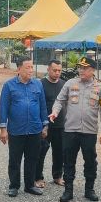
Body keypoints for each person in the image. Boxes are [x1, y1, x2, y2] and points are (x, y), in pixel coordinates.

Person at [50, 57, 101, 202]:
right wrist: (55, 111)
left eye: (85, 68)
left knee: (90, 161)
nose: (81, 70)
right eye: (80, 68)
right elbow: (59, 100)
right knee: (68, 161)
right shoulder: (70, 83)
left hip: (89, 131)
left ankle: (89, 189)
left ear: (92, 70)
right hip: (70, 130)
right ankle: (68, 190)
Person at [0, 56, 48, 197]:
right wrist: (3, 128)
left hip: (34, 128)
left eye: (32, 67)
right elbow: (4, 107)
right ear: (19, 69)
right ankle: (14, 186)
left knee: (32, 158)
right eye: (28, 67)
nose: (31, 70)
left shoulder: (38, 85)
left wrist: (45, 125)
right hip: (16, 129)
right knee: (15, 159)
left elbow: (43, 106)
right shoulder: (9, 85)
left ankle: (29, 185)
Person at [37, 59, 66, 187]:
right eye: (54, 70)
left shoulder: (64, 84)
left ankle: (57, 176)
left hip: (61, 125)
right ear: (48, 69)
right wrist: (43, 125)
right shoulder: (40, 84)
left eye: (59, 70)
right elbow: (37, 105)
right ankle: (38, 177)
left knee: (59, 152)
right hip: (45, 125)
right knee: (40, 152)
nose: (57, 73)